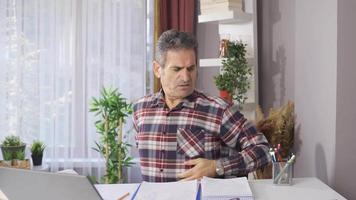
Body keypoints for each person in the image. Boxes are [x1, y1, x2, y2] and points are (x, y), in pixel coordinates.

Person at [133, 29, 271, 182]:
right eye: (177, 69)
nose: (186, 77)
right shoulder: (140, 110)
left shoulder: (218, 110)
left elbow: (262, 150)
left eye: (191, 68)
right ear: (158, 69)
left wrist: (217, 167)